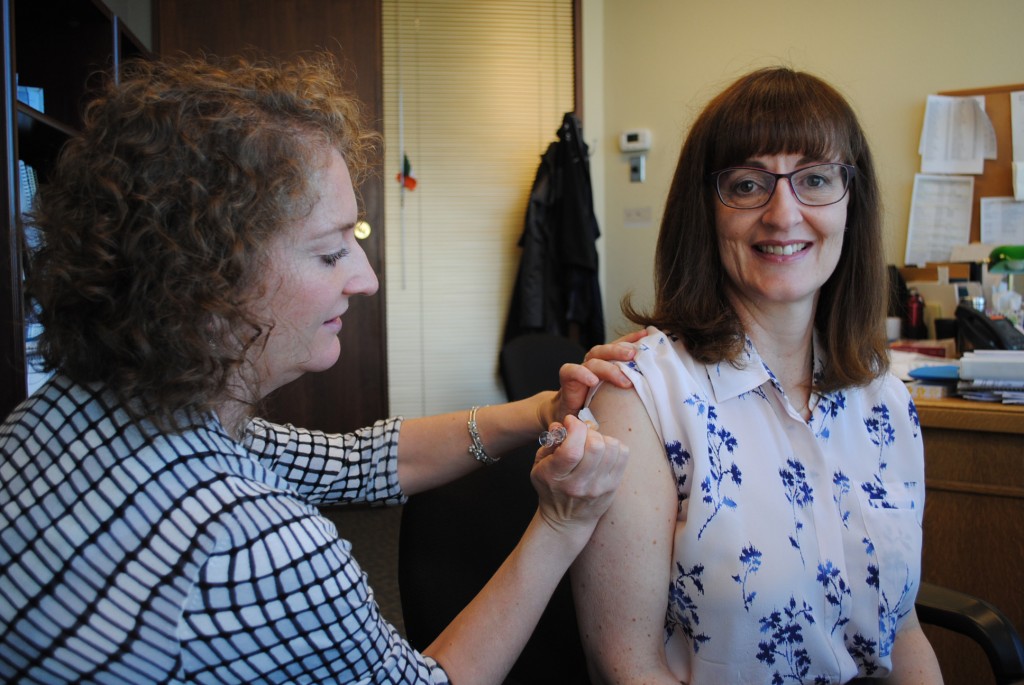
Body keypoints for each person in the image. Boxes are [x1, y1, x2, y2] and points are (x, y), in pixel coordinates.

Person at [0, 53, 636, 684]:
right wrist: (560, 524)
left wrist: (539, 412)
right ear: (203, 281)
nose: (366, 278)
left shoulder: (74, 411)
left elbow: (356, 461)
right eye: (331, 253)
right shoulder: (254, 545)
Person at [570, 67, 944, 684]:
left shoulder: (887, 403)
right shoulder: (641, 399)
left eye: (816, 180)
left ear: (853, 203)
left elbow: (903, 631)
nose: (783, 213)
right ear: (706, 211)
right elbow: (624, 665)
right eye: (748, 185)